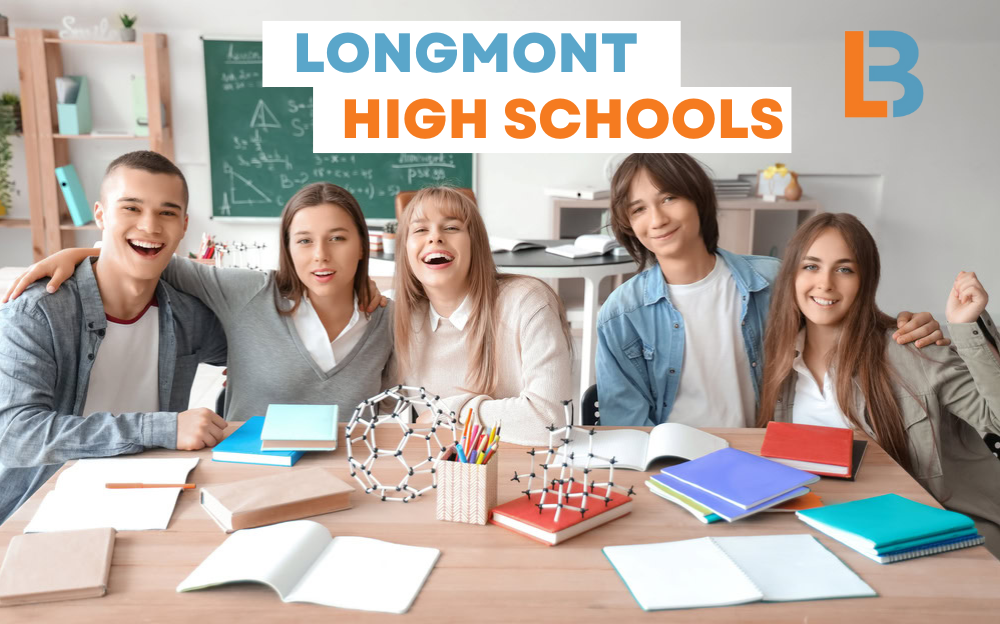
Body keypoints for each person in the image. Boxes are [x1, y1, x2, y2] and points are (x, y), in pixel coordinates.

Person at [595, 153, 946, 427]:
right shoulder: (620, 315)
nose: (656, 219)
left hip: (770, 458)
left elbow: (849, 330)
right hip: (674, 467)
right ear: (628, 224)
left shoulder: (773, 281)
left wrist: (904, 328)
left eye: (669, 198)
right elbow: (627, 428)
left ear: (698, 199)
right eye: (638, 209)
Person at [5, 182, 393, 422]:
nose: (321, 255)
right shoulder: (249, 292)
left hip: (353, 479)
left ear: (364, 245)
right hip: (248, 476)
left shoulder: (390, 320)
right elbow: (152, 257)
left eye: (338, 238)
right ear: (287, 249)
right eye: (305, 240)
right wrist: (80, 253)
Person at [0, 150, 228, 523]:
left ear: (184, 225)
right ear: (101, 215)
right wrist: (163, 428)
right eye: (131, 208)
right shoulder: (37, 312)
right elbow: (16, 436)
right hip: (39, 511)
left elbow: (254, 347)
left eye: (167, 212)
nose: (151, 226)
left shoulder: (188, 315)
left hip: (151, 503)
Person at [756, 212, 1000, 557]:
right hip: (818, 527)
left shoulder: (911, 351)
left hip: (915, 536)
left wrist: (966, 327)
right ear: (791, 275)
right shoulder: (774, 363)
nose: (825, 283)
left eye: (844, 269)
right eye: (811, 266)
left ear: (865, 280)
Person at [393, 186, 572, 445]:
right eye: (420, 230)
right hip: (437, 470)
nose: (435, 238)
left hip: (518, 471)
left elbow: (550, 421)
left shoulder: (527, 302)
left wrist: (449, 411)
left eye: (452, 227)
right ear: (404, 250)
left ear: (475, 242)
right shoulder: (398, 316)